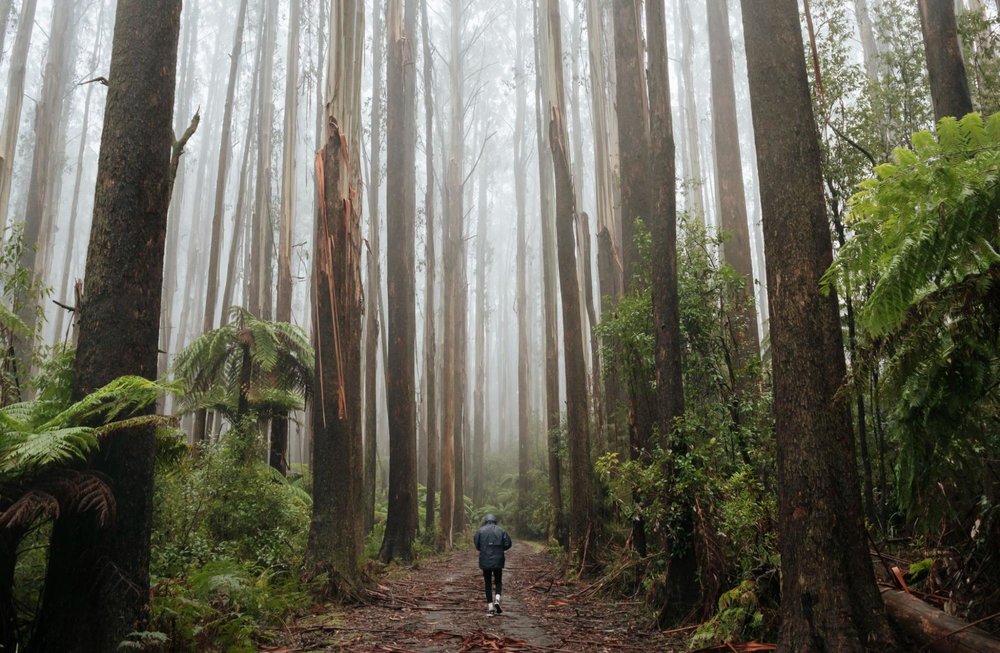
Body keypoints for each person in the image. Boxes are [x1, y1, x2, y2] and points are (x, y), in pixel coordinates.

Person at [474, 513, 512, 617]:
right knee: (498, 581)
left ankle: (490, 607)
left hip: (485, 560)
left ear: (485, 521)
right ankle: (498, 600)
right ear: (495, 521)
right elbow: (508, 544)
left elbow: (477, 545)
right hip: (498, 560)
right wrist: (500, 549)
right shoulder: (501, 530)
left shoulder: (480, 531)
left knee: (488, 583)